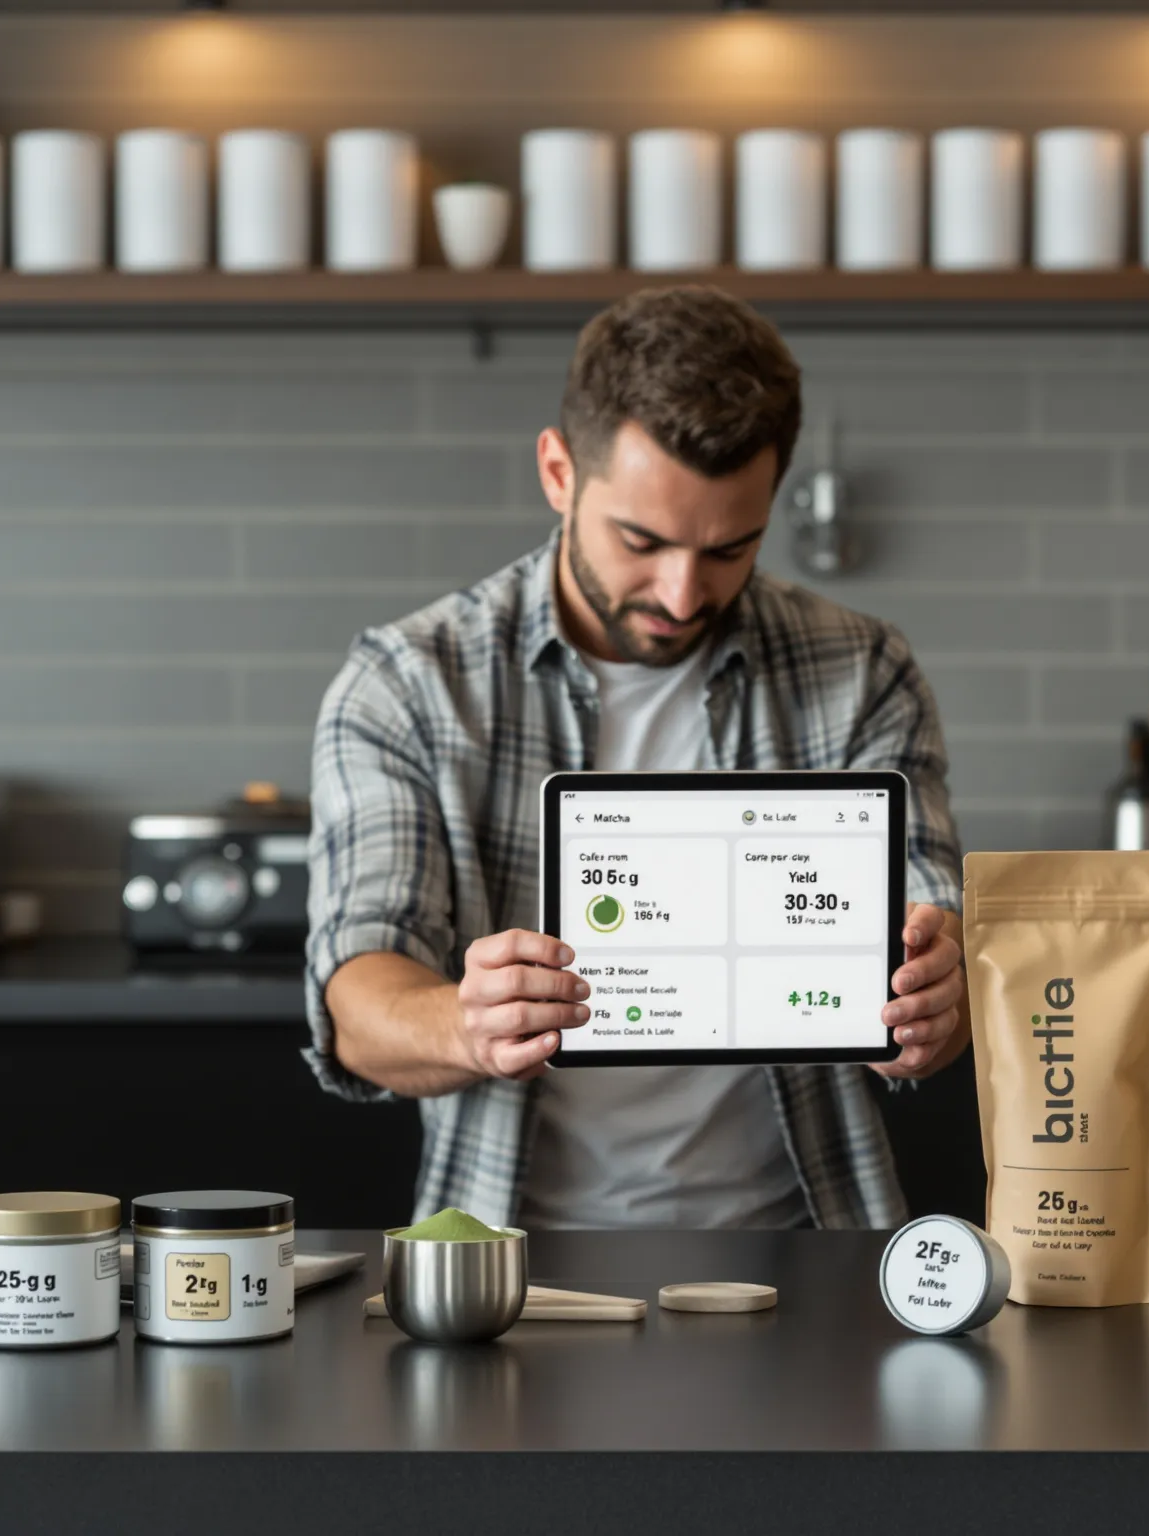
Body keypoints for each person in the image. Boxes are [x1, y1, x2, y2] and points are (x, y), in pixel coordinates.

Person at [305, 285, 966, 1231]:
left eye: (730, 547)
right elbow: (358, 1005)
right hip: (510, 1266)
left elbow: (933, 938)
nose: (684, 593)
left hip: (812, 1251)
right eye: (642, 541)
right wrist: (468, 1023)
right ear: (558, 471)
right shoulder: (410, 683)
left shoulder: (860, 671)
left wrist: (944, 997)